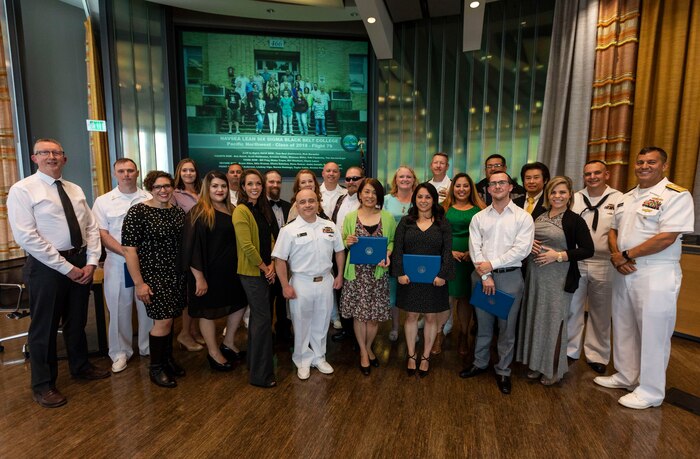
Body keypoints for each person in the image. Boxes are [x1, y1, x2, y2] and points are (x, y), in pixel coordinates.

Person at [8, 138, 109, 408]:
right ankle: (43, 385)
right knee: (45, 328)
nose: (52, 157)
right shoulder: (23, 190)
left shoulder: (74, 189)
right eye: (45, 153)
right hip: (46, 268)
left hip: (79, 261)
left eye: (57, 153)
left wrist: (90, 262)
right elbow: (27, 237)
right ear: (34, 158)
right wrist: (67, 268)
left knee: (76, 322)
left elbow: (91, 227)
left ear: (64, 158)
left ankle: (80, 366)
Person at [594, 147, 694, 410]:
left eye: (651, 162)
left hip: (656, 271)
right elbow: (613, 230)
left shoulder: (676, 195)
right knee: (624, 325)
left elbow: (666, 236)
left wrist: (625, 255)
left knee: (653, 332)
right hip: (623, 269)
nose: (644, 166)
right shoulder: (627, 197)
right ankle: (627, 375)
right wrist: (618, 255)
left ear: (664, 165)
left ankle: (650, 391)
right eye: (640, 162)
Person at [460, 171, 534, 395]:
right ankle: (480, 363)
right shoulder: (479, 218)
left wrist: (492, 265)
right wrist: (485, 275)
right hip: (482, 276)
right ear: (488, 189)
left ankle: (503, 370)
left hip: (510, 277)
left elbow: (522, 250)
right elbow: (475, 248)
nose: (497, 186)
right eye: (493, 184)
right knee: (482, 325)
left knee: (507, 328)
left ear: (511, 187)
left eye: (502, 182)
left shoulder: (523, 217)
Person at [516, 176, 594, 385]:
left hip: (558, 278)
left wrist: (558, 256)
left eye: (562, 192)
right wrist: (529, 244)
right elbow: (525, 236)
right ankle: (536, 365)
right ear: (548, 195)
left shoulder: (574, 220)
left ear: (570, 195)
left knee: (554, 323)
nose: (557, 196)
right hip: (535, 275)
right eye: (553, 192)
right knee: (536, 320)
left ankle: (552, 369)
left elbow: (588, 249)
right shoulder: (540, 215)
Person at [272, 189, 346, 380]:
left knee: (322, 323)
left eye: (311, 201)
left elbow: (339, 251)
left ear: (317, 203)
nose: (307, 205)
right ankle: (303, 360)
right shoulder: (288, 230)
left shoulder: (329, 226)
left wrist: (340, 276)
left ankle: (319, 357)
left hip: (325, 281)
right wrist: (284, 286)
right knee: (301, 323)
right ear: (296, 205)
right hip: (301, 282)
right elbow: (279, 259)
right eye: (302, 202)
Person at [122, 170, 186, 388]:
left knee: (171, 319)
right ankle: (156, 368)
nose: (163, 190)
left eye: (167, 186)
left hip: (175, 275)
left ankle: (167, 360)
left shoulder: (178, 213)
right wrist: (140, 283)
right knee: (163, 322)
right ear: (150, 188)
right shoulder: (138, 212)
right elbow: (130, 251)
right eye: (158, 187)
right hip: (152, 275)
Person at [181, 171, 248, 372]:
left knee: (239, 304)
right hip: (207, 273)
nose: (220, 190)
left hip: (231, 272)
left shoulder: (233, 209)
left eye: (223, 186)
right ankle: (213, 352)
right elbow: (190, 247)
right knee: (208, 312)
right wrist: (199, 278)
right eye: (215, 186)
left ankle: (228, 343)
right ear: (207, 189)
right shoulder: (198, 212)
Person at [92, 158, 153, 373]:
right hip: (117, 263)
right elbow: (103, 233)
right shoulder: (103, 201)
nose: (126, 174)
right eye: (121, 171)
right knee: (119, 308)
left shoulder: (149, 198)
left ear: (137, 172)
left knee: (147, 308)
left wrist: (136, 255)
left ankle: (148, 347)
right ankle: (120, 353)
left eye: (130, 170)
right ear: (114, 174)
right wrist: (127, 253)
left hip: (146, 263)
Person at [392, 183, 454, 378]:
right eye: (420, 197)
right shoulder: (405, 222)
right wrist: (400, 273)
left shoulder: (442, 223)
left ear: (434, 199)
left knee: (430, 317)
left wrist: (443, 275)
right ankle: (411, 355)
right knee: (410, 317)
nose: (424, 201)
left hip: (435, 281)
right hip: (409, 280)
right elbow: (398, 250)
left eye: (428, 197)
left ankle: (425, 356)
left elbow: (447, 252)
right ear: (414, 199)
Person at [567, 160, 622, 374]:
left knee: (601, 312)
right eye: (588, 174)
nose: (592, 177)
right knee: (573, 308)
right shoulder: (575, 199)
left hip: (605, 263)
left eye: (597, 173)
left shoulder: (619, 199)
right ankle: (570, 349)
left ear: (606, 174)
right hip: (578, 261)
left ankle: (597, 354)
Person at [340, 178, 395, 375]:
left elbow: (392, 243)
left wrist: (388, 254)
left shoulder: (387, 217)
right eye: (366, 192)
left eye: (374, 192)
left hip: (377, 274)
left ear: (378, 196)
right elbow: (344, 242)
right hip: (357, 275)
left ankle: (369, 346)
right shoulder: (350, 218)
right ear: (360, 194)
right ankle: (364, 352)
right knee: (360, 316)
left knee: (373, 318)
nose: (370, 196)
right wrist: (348, 241)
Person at [232, 169, 279, 388]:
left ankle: (254, 364)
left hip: (263, 270)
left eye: (258, 184)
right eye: (249, 184)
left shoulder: (262, 208)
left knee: (259, 321)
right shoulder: (240, 211)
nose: (254, 187)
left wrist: (270, 265)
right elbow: (247, 246)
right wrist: (264, 267)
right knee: (262, 322)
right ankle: (261, 376)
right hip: (251, 273)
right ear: (242, 187)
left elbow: (270, 238)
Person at [439, 173, 485, 357]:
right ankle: (438, 335)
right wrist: (448, 252)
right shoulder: (444, 208)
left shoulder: (480, 209)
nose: (461, 189)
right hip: (448, 257)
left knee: (465, 299)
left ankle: (463, 336)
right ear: (452, 188)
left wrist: (472, 254)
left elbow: (486, 236)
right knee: (445, 299)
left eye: (465, 186)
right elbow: (437, 234)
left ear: (471, 188)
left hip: (470, 260)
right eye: (458, 186)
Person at [171, 158, 204, 352]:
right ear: (179, 173)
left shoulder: (201, 193)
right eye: (185, 171)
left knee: (201, 292)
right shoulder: (175, 194)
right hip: (188, 247)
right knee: (190, 294)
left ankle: (194, 331)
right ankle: (184, 333)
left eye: (192, 170)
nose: (189, 174)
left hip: (203, 246)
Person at [383, 166, 418, 341]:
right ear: (395, 180)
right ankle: (395, 327)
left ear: (414, 179)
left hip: (415, 251)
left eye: (408, 176)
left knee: (414, 290)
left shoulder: (420, 199)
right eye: (401, 176)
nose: (404, 179)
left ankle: (413, 326)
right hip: (393, 251)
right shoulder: (386, 200)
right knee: (394, 292)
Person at [330, 166, 364, 343]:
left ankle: (360, 334)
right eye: (348, 179)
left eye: (355, 178)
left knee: (357, 294)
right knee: (341, 292)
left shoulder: (367, 201)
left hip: (359, 254)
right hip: (339, 252)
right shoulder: (340, 199)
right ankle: (347, 329)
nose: (351, 182)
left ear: (362, 179)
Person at [264, 169, 293, 343]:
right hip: (266, 265)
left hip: (286, 264)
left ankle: (284, 332)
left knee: (284, 300)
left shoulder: (288, 206)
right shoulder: (258, 208)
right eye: (271, 182)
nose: (275, 185)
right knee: (267, 302)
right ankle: (267, 336)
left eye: (278, 182)